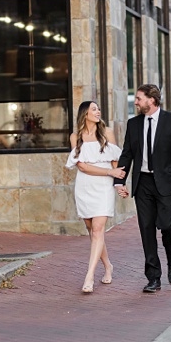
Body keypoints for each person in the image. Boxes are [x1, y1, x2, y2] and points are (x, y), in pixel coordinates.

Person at [114, 84, 171, 293]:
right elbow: (127, 154)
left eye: (139, 98)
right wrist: (119, 181)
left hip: (165, 183)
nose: (136, 102)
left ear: (152, 100)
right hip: (143, 183)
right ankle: (153, 277)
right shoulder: (134, 124)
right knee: (146, 230)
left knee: (167, 226)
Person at [65, 101, 126, 293]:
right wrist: (110, 173)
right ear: (85, 114)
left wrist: (119, 184)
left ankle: (89, 276)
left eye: (99, 108)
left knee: (99, 230)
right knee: (93, 232)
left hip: (104, 188)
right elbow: (81, 166)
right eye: (94, 109)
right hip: (85, 186)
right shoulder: (75, 137)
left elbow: (116, 161)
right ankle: (108, 266)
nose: (98, 111)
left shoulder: (106, 133)